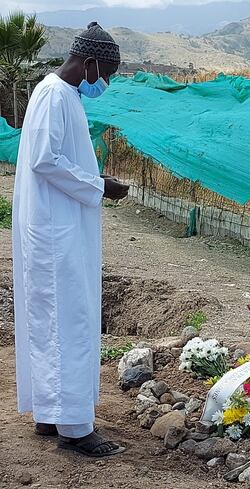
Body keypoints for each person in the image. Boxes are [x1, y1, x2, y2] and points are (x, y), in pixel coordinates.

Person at [12, 22, 129, 457]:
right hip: (55, 233)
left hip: (56, 228)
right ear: (91, 62)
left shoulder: (61, 95)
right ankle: (75, 430)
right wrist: (99, 186)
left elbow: (58, 158)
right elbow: (46, 160)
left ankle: (50, 413)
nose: (107, 83)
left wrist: (94, 181)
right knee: (68, 321)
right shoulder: (55, 94)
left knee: (50, 321)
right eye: (108, 74)